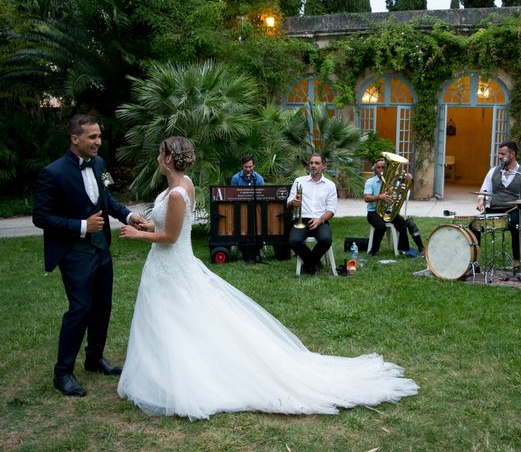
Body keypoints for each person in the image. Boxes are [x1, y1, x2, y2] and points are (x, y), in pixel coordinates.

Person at [117, 137, 417, 419]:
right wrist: (146, 227)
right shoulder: (179, 186)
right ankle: (168, 372)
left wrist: (134, 234)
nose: (158, 158)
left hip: (171, 262)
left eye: (160, 153)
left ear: (169, 158)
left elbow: (170, 236)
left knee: (178, 317)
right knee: (174, 319)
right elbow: (170, 227)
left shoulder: (181, 191)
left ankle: (187, 378)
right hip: (168, 266)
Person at [32, 114, 145, 397]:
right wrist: (81, 226)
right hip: (74, 252)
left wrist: (128, 215)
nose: (98, 142)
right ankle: (63, 373)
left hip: (101, 250)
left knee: (103, 305)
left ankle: (95, 359)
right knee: (80, 308)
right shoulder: (53, 173)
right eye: (92, 137)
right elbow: (41, 217)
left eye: (99, 136)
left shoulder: (100, 165)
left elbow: (106, 200)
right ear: (75, 139)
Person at [473, 141, 521, 273]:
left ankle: (517, 264)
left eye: (503, 154)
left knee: (517, 226)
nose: (499, 156)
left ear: (512, 154)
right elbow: (484, 191)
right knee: (473, 225)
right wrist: (481, 201)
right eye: (499, 153)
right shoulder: (493, 171)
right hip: (494, 209)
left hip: (513, 211)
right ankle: (475, 263)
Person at [286, 153, 337, 275]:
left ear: (323, 166)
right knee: (293, 241)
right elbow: (288, 203)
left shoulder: (330, 185)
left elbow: (331, 210)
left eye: (317, 163)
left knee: (326, 240)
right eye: (311, 163)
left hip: (321, 220)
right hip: (302, 220)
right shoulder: (299, 181)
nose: (313, 165)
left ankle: (309, 263)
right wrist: (293, 202)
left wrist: (320, 220)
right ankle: (313, 262)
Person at [364, 157, 424, 256]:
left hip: (388, 211)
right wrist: (380, 197)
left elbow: (403, 188)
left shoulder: (393, 181)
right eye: (378, 167)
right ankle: (373, 250)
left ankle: (404, 249)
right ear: (375, 169)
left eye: (383, 167)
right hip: (373, 212)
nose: (381, 170)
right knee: (381, 226)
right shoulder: (370, 182)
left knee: (402, 222)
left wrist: (409, 179)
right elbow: (366, 198)